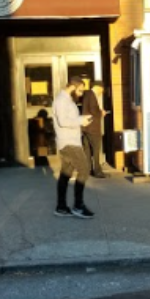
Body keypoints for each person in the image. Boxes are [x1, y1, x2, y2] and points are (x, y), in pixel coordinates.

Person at [52, 75, 95, 219]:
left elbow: (69, 119)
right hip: (69, 143)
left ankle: (61, 207)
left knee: (66, 174)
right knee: (84, 169)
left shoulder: (67, 100)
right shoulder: (61, 101)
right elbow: (63, 121)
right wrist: (81, 120)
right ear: (72, 87)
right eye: (80, 91)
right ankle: (78, 205)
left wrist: (81, 120)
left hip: (70, 141)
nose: (81, 94)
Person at [82, 80, 108, 178]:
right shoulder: (92, 95)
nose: (102, 92)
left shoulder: (86, 94)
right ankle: (97, 171)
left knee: (87, 149)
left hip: (85, 128)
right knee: (96, 150)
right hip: (93, 128)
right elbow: (93, 110)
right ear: (98, 87)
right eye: (102, 89)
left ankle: (88, 170)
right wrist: (101, 113)